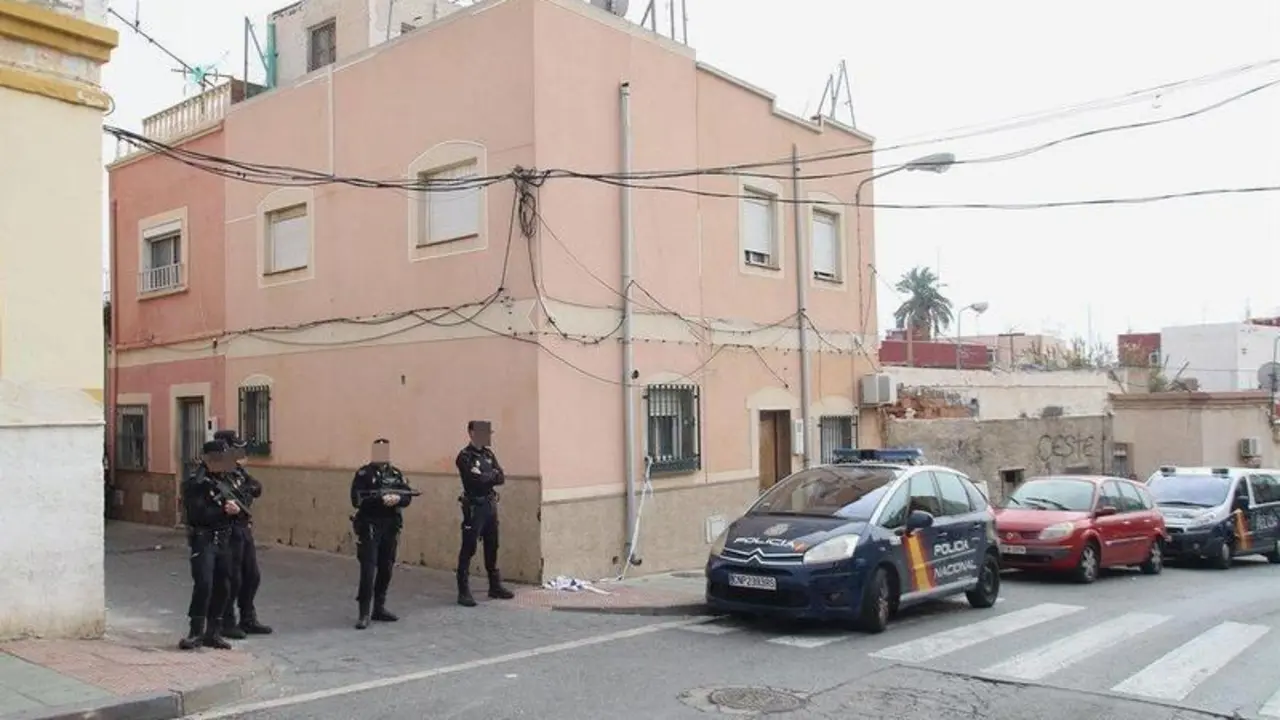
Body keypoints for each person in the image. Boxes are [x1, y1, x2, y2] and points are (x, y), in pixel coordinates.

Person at [179, 440, 241, 650]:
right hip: (203, 539)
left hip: (223, 538)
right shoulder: (195, 482)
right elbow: (197, 514)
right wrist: (224, 510)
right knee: (204, 583)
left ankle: (213, 631)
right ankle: (196, 630)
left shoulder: (225, 480)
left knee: (224, 584)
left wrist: (235, 511)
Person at [349, 438, 415, 630]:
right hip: (370, 525)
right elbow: (356, 499)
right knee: (368, 570)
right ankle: (364, 612)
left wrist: (398, 498)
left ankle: (379, 607)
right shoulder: (364, 474)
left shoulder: (395, 473)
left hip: (390, 525)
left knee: (386, 568)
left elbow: (407, 495)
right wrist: (380, 499)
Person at [213, 429, 273, 639]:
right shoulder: (216, 472)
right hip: (227, 530)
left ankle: (248, 618)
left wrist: (245, 493)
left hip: (243, 528)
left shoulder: (238, 472)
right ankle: (226, 621)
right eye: (236, 448)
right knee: (232, 577)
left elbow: (256, 487)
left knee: (252, 576)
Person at [455, 420, 514, 607]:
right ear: (472, 433)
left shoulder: (488, 454)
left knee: (492, 545)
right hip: (474, 507)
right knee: (469, 547)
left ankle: (494, 586)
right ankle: (463, 591)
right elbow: (473, 481)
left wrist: (485, 476)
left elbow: (501, 477)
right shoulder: (465, 456)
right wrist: (489, 477)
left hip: (489, 505)